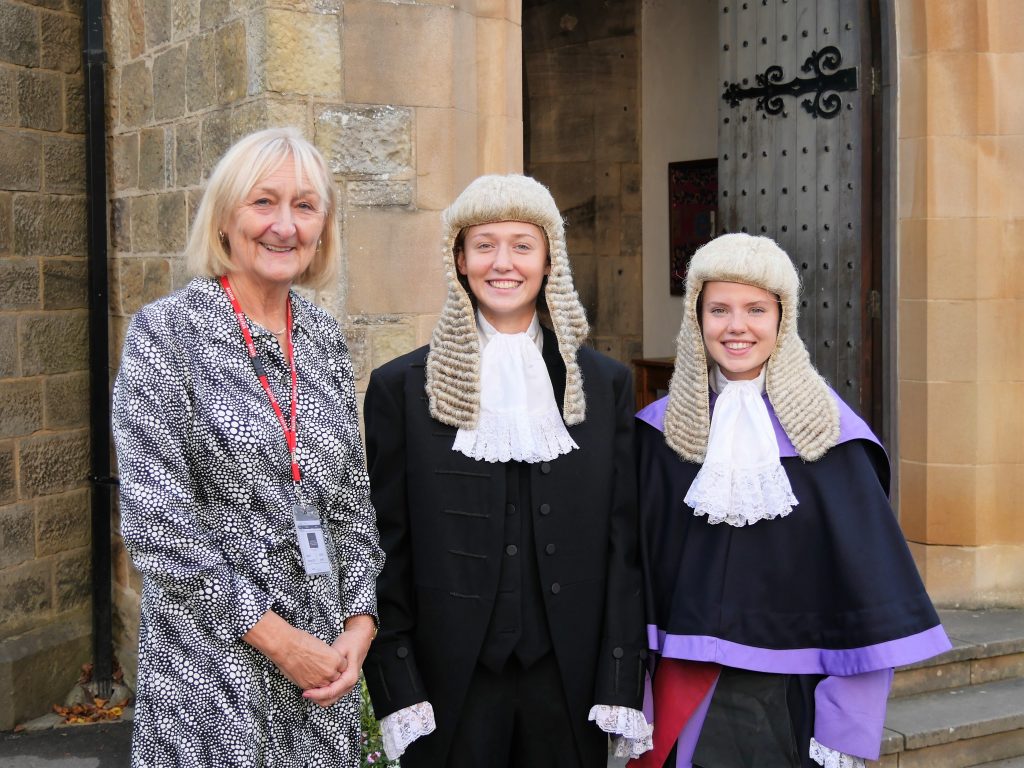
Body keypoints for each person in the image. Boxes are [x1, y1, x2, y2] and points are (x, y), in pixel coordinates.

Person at [111, 127, 384, 767]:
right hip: (211, 679)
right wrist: (279, 642)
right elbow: (158, 524)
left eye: (305, 206)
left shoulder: (322, 338)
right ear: (225, 220)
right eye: (264, 203)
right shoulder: (167, 334)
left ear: (323, 228)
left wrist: (359, 627)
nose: (284, 225)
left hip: (323, 678)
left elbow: (350, 502)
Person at [362, 174, 652, 767]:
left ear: (549, 261)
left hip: (568, 685)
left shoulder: (604, 384)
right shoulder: (400, 388)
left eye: (522, 244)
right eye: (485, 244)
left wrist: (619, 684)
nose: (504, 262)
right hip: (448, 690)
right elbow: (384, 546)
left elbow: (624, 549)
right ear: (460, 260)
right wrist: (398, 685)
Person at [631, 233, 952, 768]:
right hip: (683, 698)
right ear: (696, 319)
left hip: (792, 701)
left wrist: (846, 726)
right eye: (719, 309)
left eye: (756, 308)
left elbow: (866, 597)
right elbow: (632, 579)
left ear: (784, 319)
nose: (737, 326)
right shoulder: (656, 436)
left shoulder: (833, 440)